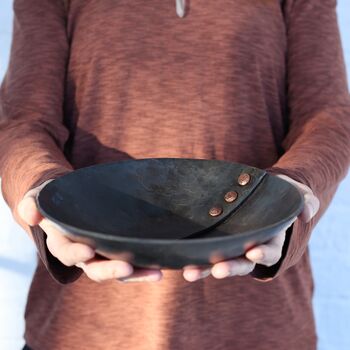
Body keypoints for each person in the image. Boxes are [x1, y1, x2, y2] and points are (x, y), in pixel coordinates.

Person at [0, 0, 349, 349]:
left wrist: (294, 186)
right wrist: (42, 186)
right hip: (86, 330)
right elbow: (23, 122)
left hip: (257, 328)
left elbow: (328, 118)